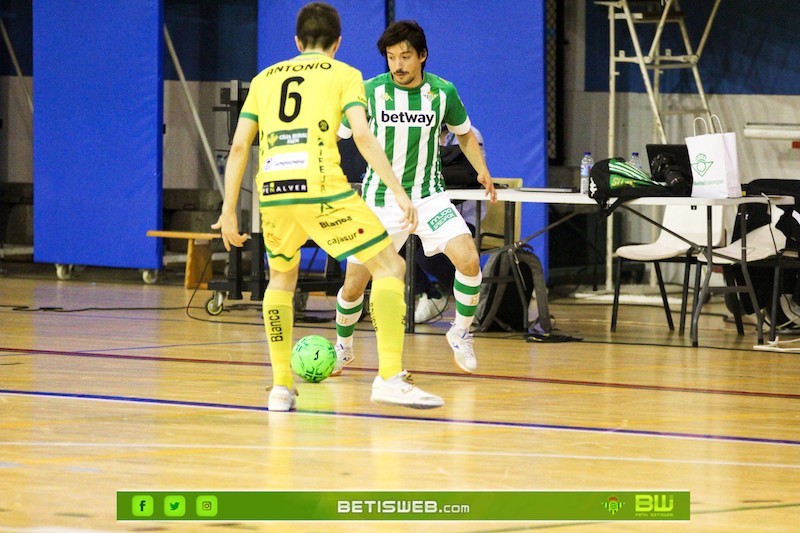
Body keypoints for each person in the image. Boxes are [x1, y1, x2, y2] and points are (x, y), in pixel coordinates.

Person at [211, 2, 443, 411]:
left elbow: (238, 146)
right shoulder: (345, 74)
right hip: (320, 188)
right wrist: (399, 190)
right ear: (337, 43)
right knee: (390, 267)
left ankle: (282, 387)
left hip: (274, 191)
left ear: (297, 42)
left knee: (281, 279)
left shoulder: (264, 78)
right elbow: (363, 137)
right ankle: (389, 375)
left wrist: (229, 208)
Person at [334, 20, 496, 375]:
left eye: (405, 56)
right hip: (380, 201)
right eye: (391, 57)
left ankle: (461, 332)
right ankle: (343, 346)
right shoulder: (368, 92)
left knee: (469, 260)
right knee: (354, 284)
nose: (398, 65)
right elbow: (339, 135)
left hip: (429, 198)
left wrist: (481, 169)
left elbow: (464, 134)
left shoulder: (442, 93)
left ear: (422, 56)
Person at [413, 124, 487, 324]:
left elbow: (469, 173)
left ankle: (475, 299)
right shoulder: (423, 132)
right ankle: (430, 294)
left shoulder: (470, 133)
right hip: (428, 211)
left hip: (464, 215)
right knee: (399, 247)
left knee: (427, 257)